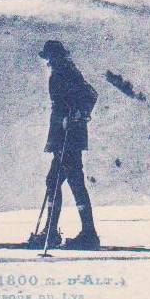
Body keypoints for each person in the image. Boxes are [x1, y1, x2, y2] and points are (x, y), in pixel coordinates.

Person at [31, 40, 100, 250]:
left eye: (50, 57)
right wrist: (80, 113)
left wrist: (78, 114)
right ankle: (62, 231)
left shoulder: (66, 73)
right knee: (57, 181)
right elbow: (89, 96)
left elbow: (90, 95)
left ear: (57, 57)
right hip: (66, 135)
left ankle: (81, 234)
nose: (48, 61)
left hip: (68, 136)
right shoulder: (68, 72)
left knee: (69, 181)